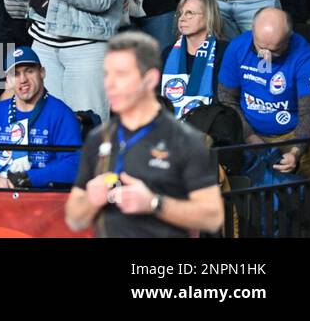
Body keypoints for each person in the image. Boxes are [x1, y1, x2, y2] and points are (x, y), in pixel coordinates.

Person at [66, 31, 225, 237]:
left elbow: (211, 217)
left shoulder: (186, 140)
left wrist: (153, 203)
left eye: (122, 74)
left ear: (150, 79)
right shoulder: (98, 138)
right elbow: (74, 219)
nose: (110, 85)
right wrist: (90, 201)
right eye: (107, 74)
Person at [218, 7, 310, 183]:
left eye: (275, 50)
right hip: (248, 129)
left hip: (293, 133)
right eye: (261, 48)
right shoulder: (238, 47)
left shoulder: (306, 56)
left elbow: (309, 112)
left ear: (288, 38)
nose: (266, 56)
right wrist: (249, 136)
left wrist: (296, 151)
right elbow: (226, 98)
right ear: (252, 32)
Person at [0, 46, 82, 189]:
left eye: (29, 71)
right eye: (16, 74)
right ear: (8, 80)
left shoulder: (61, 113)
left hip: (40, 199)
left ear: (42, 72)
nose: (23, 79)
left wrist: (29, 178)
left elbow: (75, 165)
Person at [161, 0, 224, 119]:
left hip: (211, 123)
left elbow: (225, 100)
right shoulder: (167, 53)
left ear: (208, 16)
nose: (182, 18)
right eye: (180, 13)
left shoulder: (224, 51)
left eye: (190, 13)